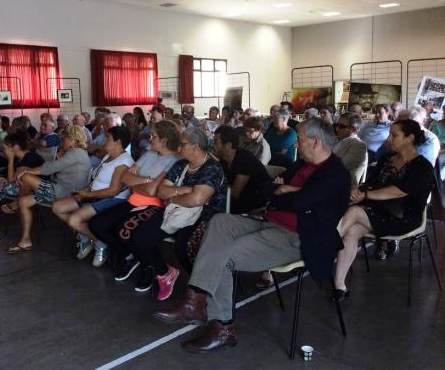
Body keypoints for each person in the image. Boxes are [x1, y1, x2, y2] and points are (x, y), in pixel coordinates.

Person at [153, 118, 351, 352]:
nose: (296, 144)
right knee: (220, 222)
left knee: (223, 256)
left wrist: (289, 192)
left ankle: (222, 326)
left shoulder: (336, 174)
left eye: (300, 139)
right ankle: (196, 299)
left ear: (316, 141)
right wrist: (288, 192)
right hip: (268, 223)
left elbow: (300, 201)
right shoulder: (301, 166)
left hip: (299, 238)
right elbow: (266, 189)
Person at [334, 119, 434, 295]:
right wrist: (358, 191)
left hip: (403, 217)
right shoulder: (386, 158)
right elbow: (372, 183)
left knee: (355, 211)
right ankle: (339, 285)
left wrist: (365, 195)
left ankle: (325, 246)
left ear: (409, 138)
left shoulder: (422, 166)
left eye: (394, 135)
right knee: (352, 230)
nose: (388, 139)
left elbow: (398, 192)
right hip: (377, 210)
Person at [131, 127, 226, 301]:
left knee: (184, 244)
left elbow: (197, 200)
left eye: (182, 144)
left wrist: (174, 197)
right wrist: (185, 190)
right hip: (176, 212)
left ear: (196, 146)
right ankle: (165, 273)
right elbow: (161, 191)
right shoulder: (181, 164)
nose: (178, 148)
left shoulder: (212, 168)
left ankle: (203, 287)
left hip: (205, 216)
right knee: (140, 236)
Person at [89, 120, 181, 291]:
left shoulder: (174, 161)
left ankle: (148, 266)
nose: (149, 138)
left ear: (164, 141)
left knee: (127, 231)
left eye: (153, 136)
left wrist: (138, 182)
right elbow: (125, 178)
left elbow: (153, 191)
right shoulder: (149, 154)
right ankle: (130, 256)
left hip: (155, 207)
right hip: (133, 201)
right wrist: (146, 181)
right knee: (97, 224)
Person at [52, 126, 134, 267]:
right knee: (57, 207)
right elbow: (96, 180)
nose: (104, 140)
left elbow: (113, 191)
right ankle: (93, 238)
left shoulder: (124, 162)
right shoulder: (108, 156)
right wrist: (84, 191)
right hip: (94, 195)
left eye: (107, 137)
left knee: (74, 220)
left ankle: (99, 242)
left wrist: (87, 194)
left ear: (118, 142)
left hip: (110, 200)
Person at [8, 126, 92, 253]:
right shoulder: (77, 152)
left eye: (63, 139)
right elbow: (54, 169)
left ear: (71, 139)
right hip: (60, 189)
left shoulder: (75, 152)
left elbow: (50, 168)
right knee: (24, 202)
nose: (62, 141)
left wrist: (28, 170)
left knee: (26, 177)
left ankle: (15, 204)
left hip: (64, 192)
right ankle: (25, 240)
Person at [0, 132, 44, 245]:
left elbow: (12, 180)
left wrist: (10, 160)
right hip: (20, 187)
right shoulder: (18, 158)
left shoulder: (31, 157)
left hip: (36, 191)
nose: (3, 150)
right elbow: (11, 179)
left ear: (14, 147)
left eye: (6, 146)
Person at [214, 126, 270, 214]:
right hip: (239, 200)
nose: (213, 145)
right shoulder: (223, 160)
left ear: (228, 145)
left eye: (216, 141)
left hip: (256, 203)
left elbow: (235, 192)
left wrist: (209, 190)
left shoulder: (244, 158)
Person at [333, 113, 368, 187]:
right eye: (337, 125)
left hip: (342, 185)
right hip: (330, 179)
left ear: (354, 129)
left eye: (341, 126)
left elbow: (339, 167)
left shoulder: (358, 145)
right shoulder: (336, 139)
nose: (337, 129)